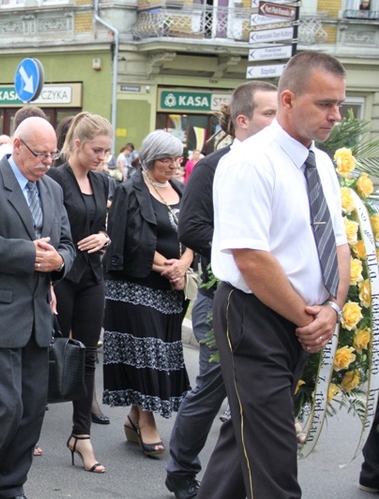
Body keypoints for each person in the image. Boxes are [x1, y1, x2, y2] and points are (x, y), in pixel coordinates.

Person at [198, 51, 350, 499]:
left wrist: (333, 308)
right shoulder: (250, 161)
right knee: (274, 459)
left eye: (339, 104)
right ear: (287, 99)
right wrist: (310, 319)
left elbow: (338, 244)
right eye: (325, 104)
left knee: (246, 438)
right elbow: (251, 257)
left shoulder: (319, 162)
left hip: (303, 319)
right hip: (254, 317)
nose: (336, 115)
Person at [164, 80, 278, 499]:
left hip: (269, 298)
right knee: (213, 386)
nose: (278, 121)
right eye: (269, 113)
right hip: (223, 294)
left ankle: (243, 477)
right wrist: (245, 247)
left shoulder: (280, 166)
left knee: (252, 394)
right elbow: (190, 227)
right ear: (243, 121)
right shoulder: (213, 167)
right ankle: (181, 473)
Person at [0, 116, 75, 499]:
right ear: (17, 146)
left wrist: (60, 263)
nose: (47, 162)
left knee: (33, 408)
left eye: (53, 155)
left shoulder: (52, 189)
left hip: (37, 314)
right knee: (6, 402)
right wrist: (27, 254)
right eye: (40, 154)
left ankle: (10, 485)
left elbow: (66, 245)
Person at [103, 130, 192, 458]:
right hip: (135, 287)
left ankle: (134, 417)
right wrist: (165, 267)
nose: (173, 165)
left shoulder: (181, 189)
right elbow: (126, 239)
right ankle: (147, 421)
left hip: (171, 289)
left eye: (177, 158)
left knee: (162, 354)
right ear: (150, 159)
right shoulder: (130, 190)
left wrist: (182, 265)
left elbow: (194, 231)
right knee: (146, 355)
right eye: (166, 159)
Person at [46, 112, 112, 474]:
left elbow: (103, 226)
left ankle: (81, 435)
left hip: (91, 277)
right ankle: (24, 428)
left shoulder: (102, 182)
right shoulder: (56, 178)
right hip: (61, 276)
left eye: (106, 150)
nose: (102, 157)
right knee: (48, 352)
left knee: (87, 356)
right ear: (77, 145)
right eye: (96, 150)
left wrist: (104, 237)